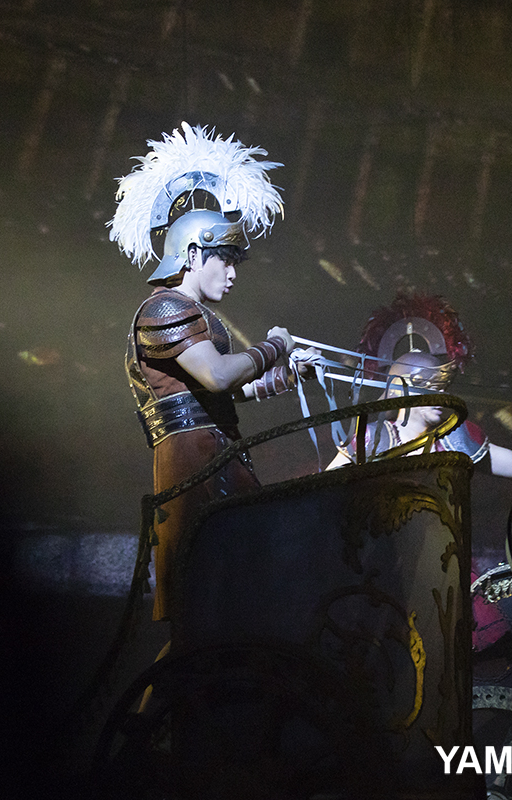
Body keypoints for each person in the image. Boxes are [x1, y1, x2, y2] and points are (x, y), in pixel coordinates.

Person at [112, 124, 320, 622]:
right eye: (224, 259)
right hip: (192, 460)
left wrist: (289, 375)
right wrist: (275, 346)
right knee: (205, 599)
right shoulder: (164, 309)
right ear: (191, 255)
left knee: (236, 598)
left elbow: (224, 391)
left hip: (213, 449)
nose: (232, 272)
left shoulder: (196, 316)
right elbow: (219, 378)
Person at [326, 293, 512, 476]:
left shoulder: (455, 439)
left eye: (442, 387)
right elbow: (321, 488)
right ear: (402, 390)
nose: (441, 395)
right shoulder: (372, 439)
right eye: (430, 387)